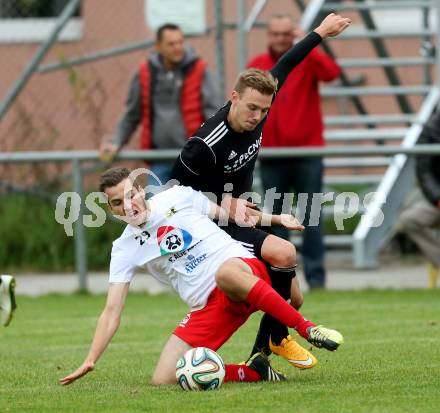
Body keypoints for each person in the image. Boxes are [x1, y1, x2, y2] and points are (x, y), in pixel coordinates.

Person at [171, 13, 350, 367]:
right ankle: (277, 340)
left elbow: (287, 62)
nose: (257, 116)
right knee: (284, 254)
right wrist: (223, 203)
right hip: (214, 224)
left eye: (264, 109)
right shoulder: (204, 144)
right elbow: (175, 194)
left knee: (293, 298)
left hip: (242, 213)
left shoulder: (261, 104)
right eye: (251, 107)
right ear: (233, 97)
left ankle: (262, 353)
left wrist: (319, 33)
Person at [59, 167, 344, 386]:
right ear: (111, 208)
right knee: (164, 378)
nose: (128, 206)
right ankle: (254, 371)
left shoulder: (176, 196)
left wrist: (276, 219)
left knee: (229, 275)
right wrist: (91, 359)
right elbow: (111, 311)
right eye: (118, 202)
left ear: (141, 190)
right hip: (209, 307)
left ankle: (308, 329)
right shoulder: (123, 249)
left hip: (240, 271)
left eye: (130, 195)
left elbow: (230, 217)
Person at [247, 13, 341, 290]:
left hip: (307, 151)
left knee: (311, 217)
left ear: (293, 35)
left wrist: (308, 44)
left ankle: (316, 278)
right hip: (273, 154)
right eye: (275, 34)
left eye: (285, 35)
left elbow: (332, 74)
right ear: (269, 36)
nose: (280, 40)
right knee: (274, 218)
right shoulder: (258, 65)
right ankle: (278, 279)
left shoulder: (307, 58)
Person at [99, 23, 220, 186]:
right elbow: (131, 115)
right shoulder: (145, 72)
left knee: (190, 210)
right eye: (171, 44)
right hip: (158, 160)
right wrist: (115, 142)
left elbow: (214, 114)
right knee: (156, 210)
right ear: (158, 47)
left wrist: (216, 150)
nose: (178, 48)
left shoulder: (199, 70)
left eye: (180, 42)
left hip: (192, 160)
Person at [399, 107, 440, 270]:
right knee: (409, 219)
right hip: (436, 198)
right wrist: (437, 198)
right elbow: (424, 171)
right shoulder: (431, 129)